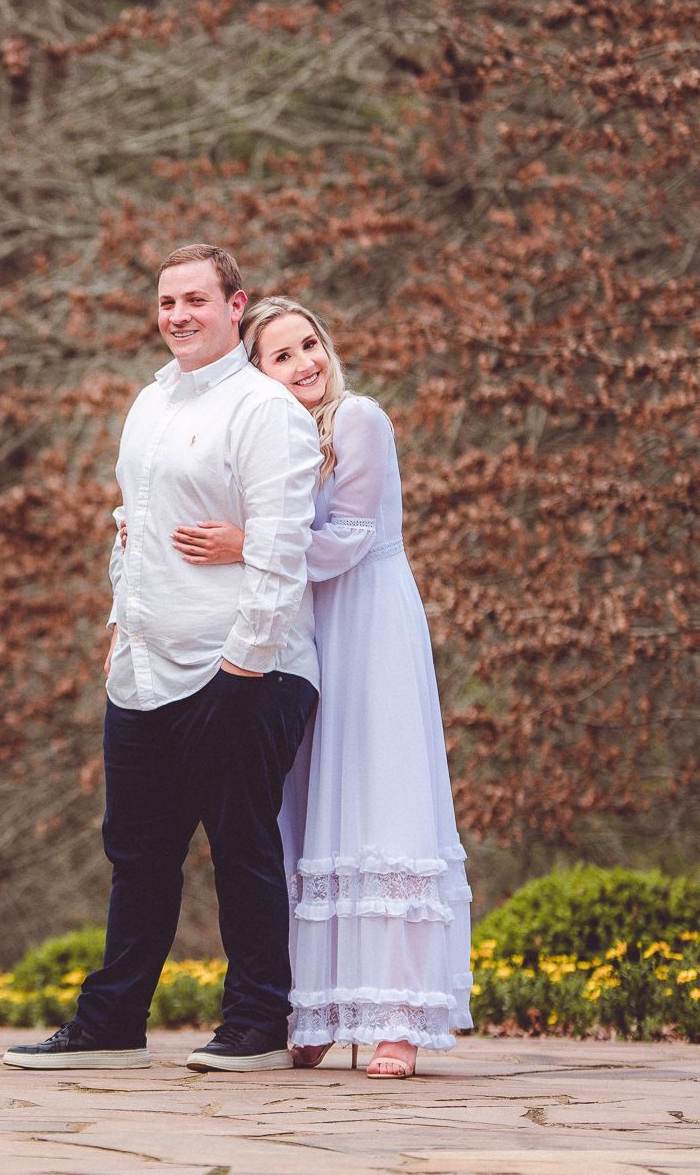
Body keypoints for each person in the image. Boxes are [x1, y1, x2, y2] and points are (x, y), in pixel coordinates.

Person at [4, 245, 322, 1073]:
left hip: (243, 669)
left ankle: (257, 1022)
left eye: (195, 300)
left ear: (235, 305)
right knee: (136, 851)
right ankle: (111, 1022)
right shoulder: (148, 401)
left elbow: (283, 550)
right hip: (144, 668)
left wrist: (243, 670)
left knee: (242, 844)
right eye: (166, 301)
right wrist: (120, 626)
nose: (178, 315)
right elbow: (131, 525)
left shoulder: (265, 410)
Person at [170, 297, 473, 1079]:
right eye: (283, 355)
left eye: (311, 344)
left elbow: (347, 538)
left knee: (379, 801)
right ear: (259, 371)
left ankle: (397, 1019)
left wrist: (250, 544)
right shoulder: (273, 439)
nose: (307, 362)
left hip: (366, 620)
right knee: (307, 811)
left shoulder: (358, 419)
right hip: (305, 627)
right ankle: (320, 1009)